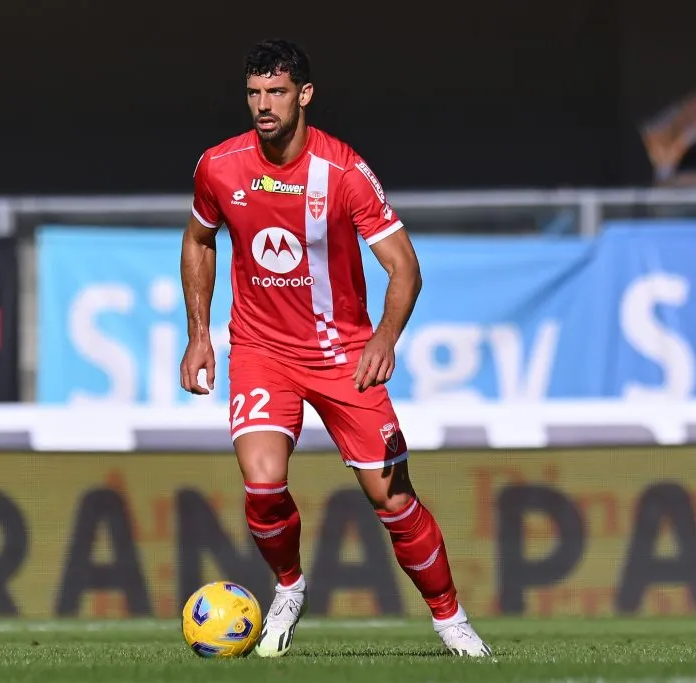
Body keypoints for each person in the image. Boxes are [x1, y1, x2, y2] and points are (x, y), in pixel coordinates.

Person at [178, 38, 491, 658]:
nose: (264, 106)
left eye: (277, 92)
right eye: (254, 94)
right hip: (262, 349)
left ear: (305, 95)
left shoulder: (343, 172)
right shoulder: (219, 166)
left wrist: (383, 339)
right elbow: (198, 241)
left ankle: (451, 620)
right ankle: (289, 587)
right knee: (263, 484)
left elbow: (405, 267)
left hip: (343, 354)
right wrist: (198, 336)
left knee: (392, 498)